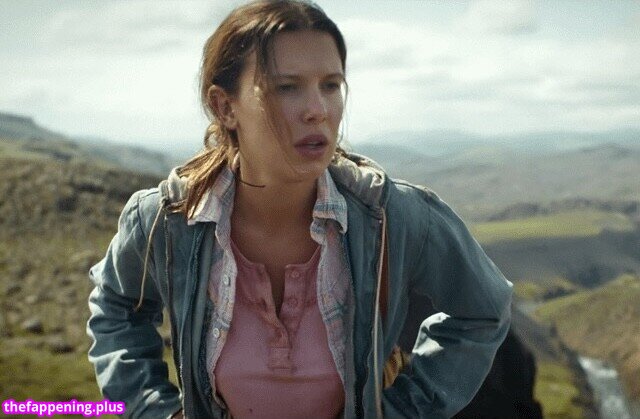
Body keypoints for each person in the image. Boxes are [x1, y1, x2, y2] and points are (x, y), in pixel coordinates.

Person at [86, 1, 512, 418]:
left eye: (331, 85)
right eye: (286, 87)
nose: (318, 111)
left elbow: (483, 310)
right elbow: (116, 308)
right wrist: (152, 409)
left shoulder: (392, 216)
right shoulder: (167, 220)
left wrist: (405, 409)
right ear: (225, 107)